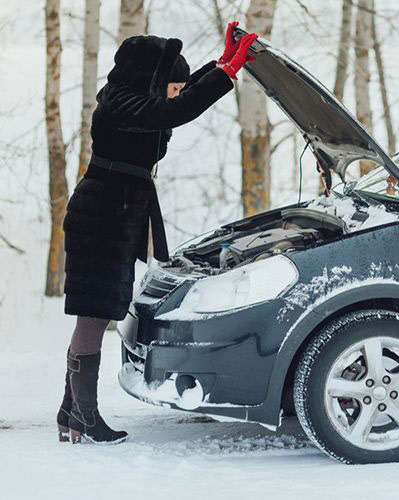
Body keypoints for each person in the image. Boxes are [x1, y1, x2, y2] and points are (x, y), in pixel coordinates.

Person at [57, 22, 257, 444]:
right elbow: (173, 111)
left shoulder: (134, 99)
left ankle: (71, 410)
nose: (176, 92)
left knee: (98, 310)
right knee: (94, 315)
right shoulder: (119, 102)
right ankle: (85, 417)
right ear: (150, 78)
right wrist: (225, 75)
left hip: (118, 213)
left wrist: (218, 65)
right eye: (171, 84)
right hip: (101, 218)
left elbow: (176, 101)